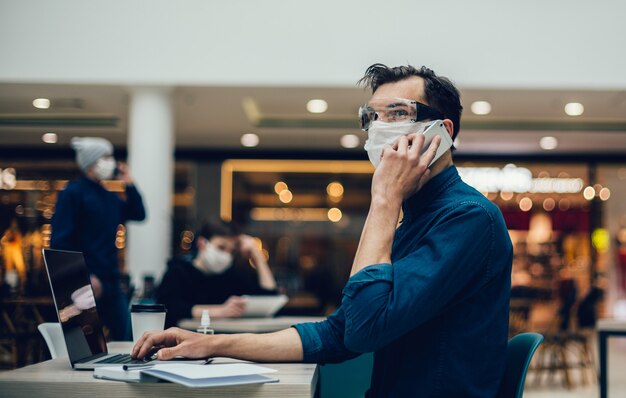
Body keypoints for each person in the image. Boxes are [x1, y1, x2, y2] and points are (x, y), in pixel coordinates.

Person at [132, 64, 513, 397]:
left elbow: (365, 329)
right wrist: (209, 344)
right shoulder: (413, 219)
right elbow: (338, 332)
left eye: (398, 113)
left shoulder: (468, 218)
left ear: (443, 131)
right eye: (373, 117)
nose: (380, 130)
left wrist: (384, 199)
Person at [51, 137, 146, 341]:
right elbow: (60, 242)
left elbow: (138, 213)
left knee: (126, 338)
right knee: (85, 341)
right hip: (85, 282)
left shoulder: (109, 197)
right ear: (91, 162)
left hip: (111, 280)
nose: (111, 161)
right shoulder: (73, 193)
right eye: (106, 157)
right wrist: (83, 276)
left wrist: (129, 183)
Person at [156, 220, 278, 328]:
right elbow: (169, 307)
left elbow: (269, 296)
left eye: (231, 251)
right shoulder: (178, 271)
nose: (226, 255)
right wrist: (219, 311)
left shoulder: (232, 276)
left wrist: (256, 255)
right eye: (221, 247)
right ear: (202, 244)